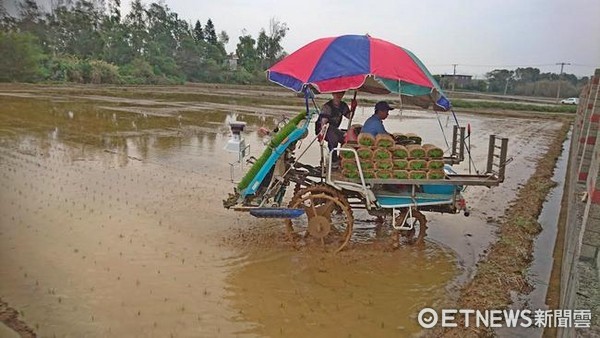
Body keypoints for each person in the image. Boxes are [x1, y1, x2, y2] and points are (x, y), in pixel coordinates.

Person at [316, 91, 355, 163]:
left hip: (334, 129)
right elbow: (323, 122)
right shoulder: (327, 107)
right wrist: (321, 134)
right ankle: (333, 158)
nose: (339, 95)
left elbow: (349, 116)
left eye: (341, 93)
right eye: (337, 93)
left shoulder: (343, 105)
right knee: (333, 137)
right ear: (333, 94)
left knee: (345, 138)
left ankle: (342, 157)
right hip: (325, 128)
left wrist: (353, 108)